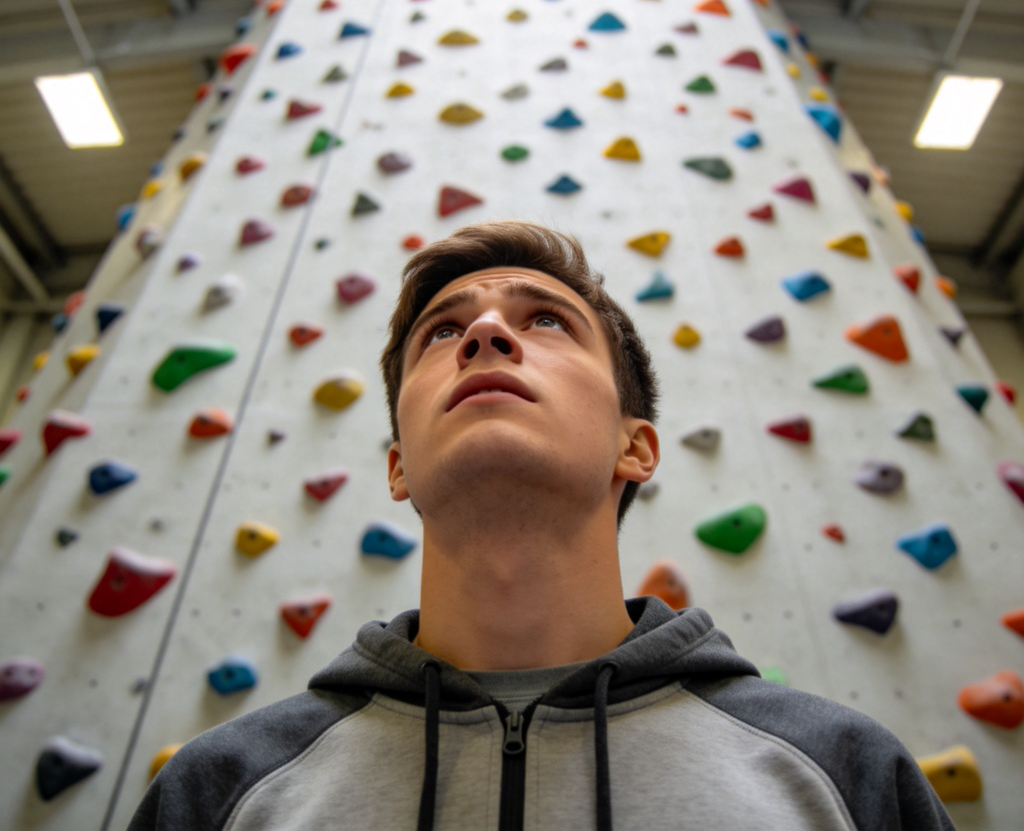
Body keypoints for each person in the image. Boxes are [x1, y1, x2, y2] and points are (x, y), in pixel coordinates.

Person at [130, 221, 954, 830]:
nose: (485, 334)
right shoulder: (223, 790)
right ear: (399, 467)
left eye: (547, 321)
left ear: (634, 446)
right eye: (443, 331)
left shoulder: (845, 775)